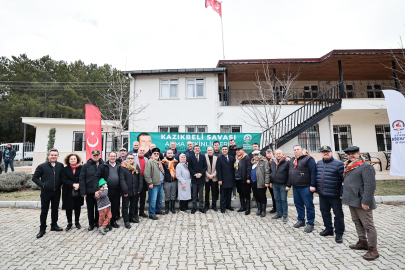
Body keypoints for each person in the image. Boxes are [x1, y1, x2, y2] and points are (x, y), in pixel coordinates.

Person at [341, 146, 379, 260]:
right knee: (357, 222)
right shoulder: (349, 165)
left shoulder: (365, 166)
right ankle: (362, 242)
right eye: (348, 154)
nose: (350, 155)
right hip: (352, 200)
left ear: (359, 154)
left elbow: (370, 185)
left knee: (368, 225)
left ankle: (373, 249)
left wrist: (366, 201)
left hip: (362, 201)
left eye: (353, 153)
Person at [315, 145, 345, 243]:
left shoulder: (339, 164)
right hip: (323, 194)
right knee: (325, 213)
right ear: (321, 153)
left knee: (338, 215)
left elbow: (344, 180)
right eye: (323, 152)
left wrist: (342, 193)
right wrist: (316, 188)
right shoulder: (319, 163)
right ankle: (328, 229)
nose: (325, 153)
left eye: (327, 151)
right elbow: (317, 177)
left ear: (331, 152)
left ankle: (339, 233)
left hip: (335, 195)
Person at [32, 149, 64, 238]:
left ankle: (54, 225)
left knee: (55, 209)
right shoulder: (42, 166)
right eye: (52, 155)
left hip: (57, 191)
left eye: (55, 155)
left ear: (57, 156)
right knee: (44, 211)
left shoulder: (60, 165)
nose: (53, 156)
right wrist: (43, 185)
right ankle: (42, 229)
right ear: (48, 156)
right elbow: (34, 178)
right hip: (46, 192)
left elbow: (63, 177)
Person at [286, 145, 317, 233]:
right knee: (298, 204)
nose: (296, 151)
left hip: (306, 187)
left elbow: (314, 172)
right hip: (295, 187)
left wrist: (313, 185)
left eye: (298, 149)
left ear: (302, 150)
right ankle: (301, 220)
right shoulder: (293, 159)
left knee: (309, 206)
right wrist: (289, 185)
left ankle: (310, 223)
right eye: (294, 150)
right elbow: (290, 172)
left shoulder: (308, 159)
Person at [94, 152, 121, 230]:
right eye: (111, 156)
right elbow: (96, 177)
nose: (112, 157)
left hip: (116, 189)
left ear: (116, 157)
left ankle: (113, 221)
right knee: (106, 207)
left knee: (115, 206)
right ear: (108, 157)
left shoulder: (119, 165)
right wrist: (98, 188)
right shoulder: (103, 166)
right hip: (106, 190)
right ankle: (107, 223)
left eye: (114, 156)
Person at [79, 150, 104, 231]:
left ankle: (97, 222)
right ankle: (91, 224)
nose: (96, 157)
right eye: (94, 155)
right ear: (91, 156)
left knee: (98, 208)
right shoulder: (86, 166)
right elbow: (82, 179)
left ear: (100, 156)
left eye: (97, 155)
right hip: (89, 192)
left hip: (100, 191)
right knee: (90, 208)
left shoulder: (103, 165)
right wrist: (83, 192)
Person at [61, 153, 84, 231]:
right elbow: (63, 180)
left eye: (74, 159)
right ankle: (69, 223)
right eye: (71, 159)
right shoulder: (64, 169)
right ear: (68, 160)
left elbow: (84, 178)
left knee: (78, 207)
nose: (73, 160)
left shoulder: (82, 168)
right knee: (68, 207)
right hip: (68, 190)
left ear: (77, 160)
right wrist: (73, 184)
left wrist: (79, 185)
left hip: (78, 190)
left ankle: (77, 222)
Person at [120, 153, 143, 228]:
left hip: (135, 190)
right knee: (125, 206)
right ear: (126, 159)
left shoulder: (136, 166)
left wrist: (139, 188)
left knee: (133, 205)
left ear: (134, 159)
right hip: (126, 191)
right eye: (129, 158)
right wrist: (125, 191)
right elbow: (122, 180)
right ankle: (126, 221)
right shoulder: (123, 167)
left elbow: (140, 178)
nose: (130, 159)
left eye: (132, 158)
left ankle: (131, 218)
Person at [144, 148, 166, 220]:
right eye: (154, 153)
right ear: (152, 154)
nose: (156, 154)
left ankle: (158, 210)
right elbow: (146, 174)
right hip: (154, 184)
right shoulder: (150, 162)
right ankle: (151, 213)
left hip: (161, 183)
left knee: (160, 198)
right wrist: (150, 183)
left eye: (157, 153)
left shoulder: (159, 162)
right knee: (153, 200)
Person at [269, 150, 289, 223]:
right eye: (276, 154)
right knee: (277, 199)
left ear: (282, 154)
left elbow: (289, 174)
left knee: (283, 200)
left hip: (283, 184)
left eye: (279, 153)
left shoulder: (287, 161)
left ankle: (285, 215)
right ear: (274, 154)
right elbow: (272, 172)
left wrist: (288, 184)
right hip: (275, 184)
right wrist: (271, 182)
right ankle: (279, 213)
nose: (278, 155)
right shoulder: (273, 162)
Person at [188, 145, 208, 214]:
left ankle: (201, 207)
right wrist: (195, 174)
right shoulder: (190, 157)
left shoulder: (203, 157)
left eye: (198, 149)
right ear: (193, 150)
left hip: (201, 178)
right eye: (196, 149)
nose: (197, 150)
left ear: (200, 150)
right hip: (194, 178)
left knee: (201, 194)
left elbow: (205, 166)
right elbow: (189, 167)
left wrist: (201, 174)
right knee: (194, 194)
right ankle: (194, 207)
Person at [216, 145, 236, 213]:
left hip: (230, 179)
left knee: (229, 194)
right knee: (223, 194)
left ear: (228, 150)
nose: (224, 150)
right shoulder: (219, 158)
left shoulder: (232, 158)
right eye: (223, 149)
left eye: (226, 149)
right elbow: (218, 170)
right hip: (223, 180)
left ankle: (228, 205)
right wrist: (220, 179)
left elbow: (233, 169)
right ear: (222, 150)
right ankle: (222, 207)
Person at [250, 150, 270, 217]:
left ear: (260, 155)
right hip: (253, 182)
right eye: (255, 155)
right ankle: (259, 210)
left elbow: (267, 173)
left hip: (261, 182)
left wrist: (267, 182)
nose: (256, 156)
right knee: (256, 196)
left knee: (262, 196)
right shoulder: (252, 162)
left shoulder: (264, 162)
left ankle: (263, 211)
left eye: (257, 155)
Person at [234, 146, 252, 215]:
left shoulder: (246, 157)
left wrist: (248, 178)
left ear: (242, 150)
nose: (238, 151)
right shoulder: (236, 158)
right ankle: (243, 207)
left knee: (247, 193)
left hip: (244, 179)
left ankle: (248, 208)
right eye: (236, 150)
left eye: (239, 150)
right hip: (238, 179)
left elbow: (248, 168)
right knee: (240, 193)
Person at [162, 149, 178, 214]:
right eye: (168, 153)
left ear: (173, 154)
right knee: (167, 195)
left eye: (171, 153)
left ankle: (172, 208)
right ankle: (166, 209)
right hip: (167, 181)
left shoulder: (176, 162)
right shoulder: (163, 162)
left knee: (173, 195)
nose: (170, 154)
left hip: (174, 181)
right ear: (166, 154)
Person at [135, 147, 149, 218]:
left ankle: (141, 211)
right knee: (136, 197)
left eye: (143, 150)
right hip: (136, 180)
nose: (142, 151)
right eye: (141, 150)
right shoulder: (134, 159)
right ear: (138, 151)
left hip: (144, 180)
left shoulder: (146, 159)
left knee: (143, 197)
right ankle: (135, 213)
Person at [204, 147, 219, 212]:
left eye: (211, 150)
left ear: (213, 151)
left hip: (214, 178)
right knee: (207, 192)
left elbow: (218, 168)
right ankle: (207, 205)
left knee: (214, 192)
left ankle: (214, 205)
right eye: (208, 150)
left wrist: (213, 175)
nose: (210, 151)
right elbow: (203, 168)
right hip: (207, 178)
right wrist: (208, 175)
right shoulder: (204, 158)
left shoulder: (216, 158)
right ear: (207, 151)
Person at [265, 149, 277, 214]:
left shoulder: (275, 160)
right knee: (271, 195)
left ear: (273, 154)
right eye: (267, 153)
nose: (269, 154)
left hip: (273, 181)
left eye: (270, 153)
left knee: (274, 195)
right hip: (266, 180)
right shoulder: (265, 161)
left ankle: (276, 208)